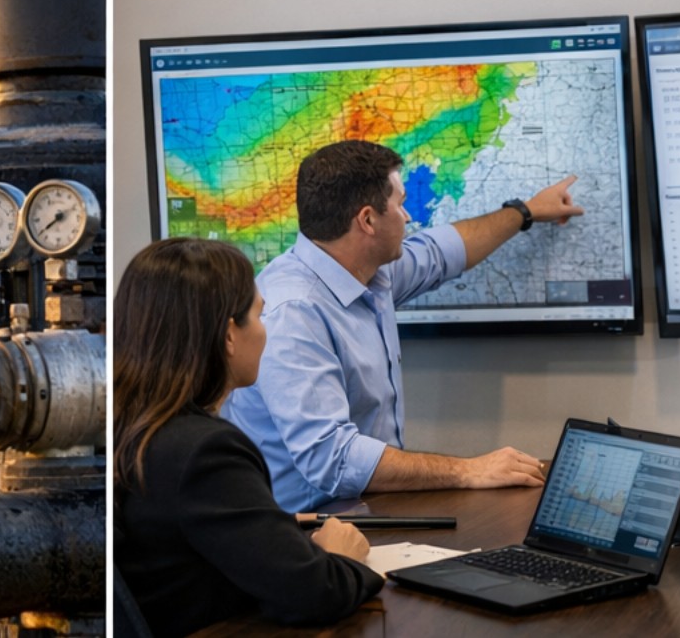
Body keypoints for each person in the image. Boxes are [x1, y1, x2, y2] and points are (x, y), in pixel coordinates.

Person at [225, 138, 585, 512]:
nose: (408, 216)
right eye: (400, 204)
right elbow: (333, 458)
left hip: (368, 512)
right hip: (305, 531)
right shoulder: (292, 312)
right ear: (367, 220)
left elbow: (441, 252)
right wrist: (469, 471)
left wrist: (525, 211)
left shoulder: (368, 271)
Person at [116, 237, 383, 638]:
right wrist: (342, 557)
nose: (264, 331)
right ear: (229, 335)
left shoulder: (129, 428)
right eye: (259, 315)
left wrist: (269, 527)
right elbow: (314, 592)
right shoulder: (205, 452)